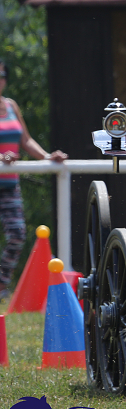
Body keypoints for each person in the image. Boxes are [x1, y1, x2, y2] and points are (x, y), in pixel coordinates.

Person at [0, 59, 68, 300]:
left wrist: (49, 157)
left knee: (18, 234)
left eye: (2, 75)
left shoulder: (10, 106)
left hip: (8, 185)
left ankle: (1, 284)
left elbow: (26, 141)